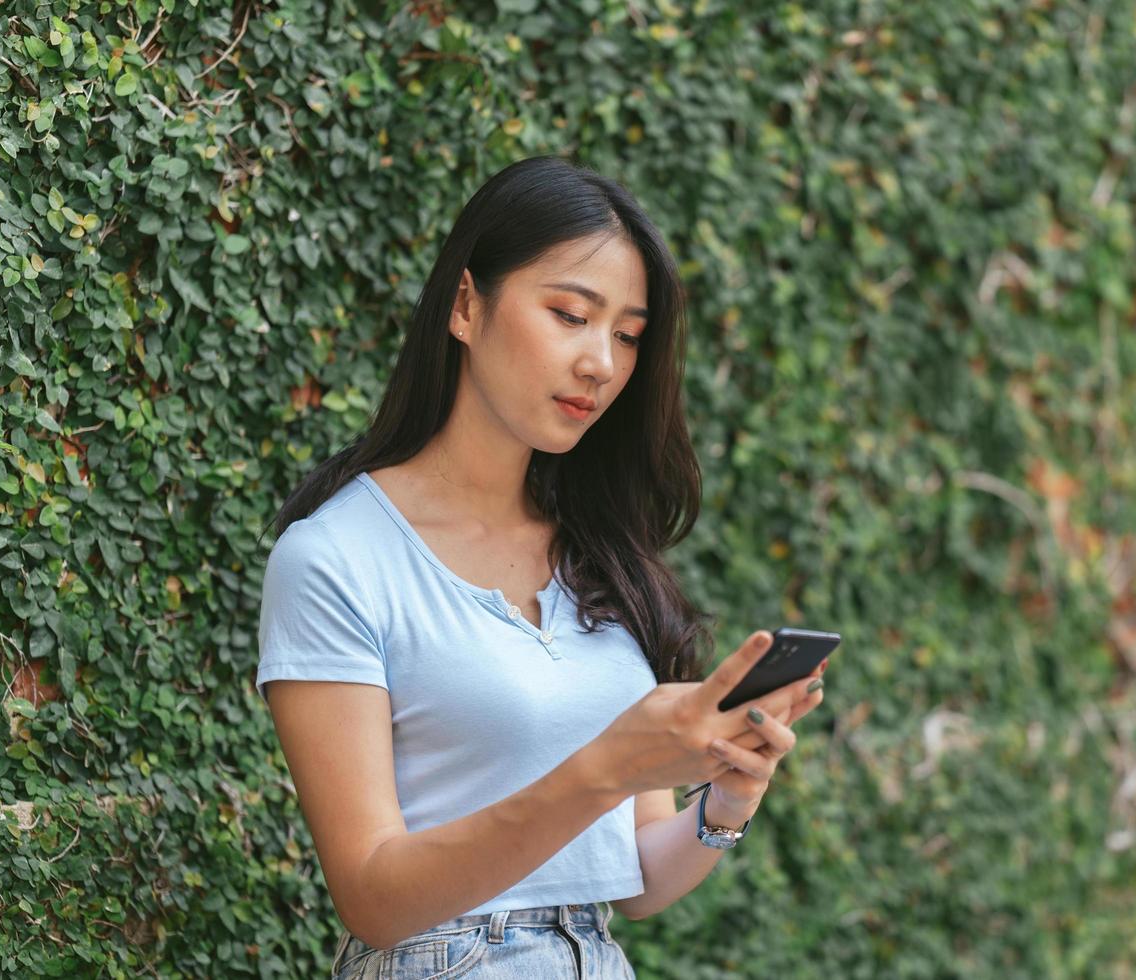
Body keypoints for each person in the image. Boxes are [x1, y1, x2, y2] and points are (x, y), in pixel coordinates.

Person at [253, 155, 829, 978]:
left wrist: (728, 801)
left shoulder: (599, 557)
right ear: (464, 304)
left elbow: (631, 879)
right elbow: (372, 898)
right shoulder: (335, 559)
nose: (602, 362)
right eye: (570, 314)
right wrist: (604, 768)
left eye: (627, 335)